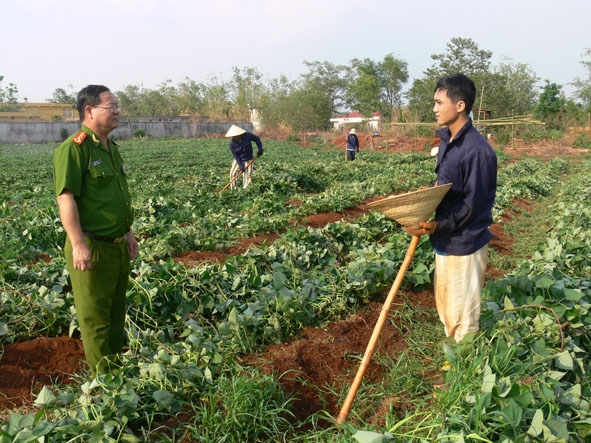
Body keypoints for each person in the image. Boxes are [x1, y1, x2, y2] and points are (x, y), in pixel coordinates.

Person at [53, 85, 139, 377]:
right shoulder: (75, 149)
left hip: (116, 245)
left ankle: (115, 373)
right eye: (110, 106)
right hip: (92, 246)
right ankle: (105, 385)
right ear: (89, 111)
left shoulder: (109, 148)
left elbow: (114, 195)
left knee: (116, 315)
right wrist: (78, 243)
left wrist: (127, 231)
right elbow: (66, 197)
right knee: (95, 320)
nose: (116, 111)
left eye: (117, 106)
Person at [405, 74, 497, 344]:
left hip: (465, 243)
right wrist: (424, 203)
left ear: (460, 105)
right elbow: (444, 186)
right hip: (445, 239)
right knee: (447, 310)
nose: (434, 108)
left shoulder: (478, 152)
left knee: (462, 316)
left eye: (439, 102)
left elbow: (473, 206)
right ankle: (456, 366)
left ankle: (465, 375)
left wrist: (436, 225)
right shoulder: (447, 140)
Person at [225, 124, 264, 190]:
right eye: (232, 136)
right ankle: (234, 190)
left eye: (235, 136)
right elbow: (236, 156)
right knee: (233, 174)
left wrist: (260, 149)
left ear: (239, 134)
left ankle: (246, 191)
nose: (233, 137)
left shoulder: (248, 135)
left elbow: (257, 139)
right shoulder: (232, 144)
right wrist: (240, 165)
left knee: (248, 176)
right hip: (239, 159)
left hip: (249, 159)